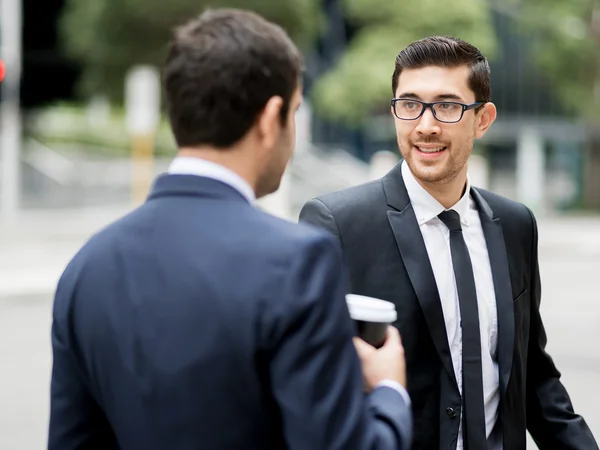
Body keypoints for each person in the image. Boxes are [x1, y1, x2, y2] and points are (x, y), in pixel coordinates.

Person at [47, 8, 413, 450]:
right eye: (295, 112)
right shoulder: (297, 261)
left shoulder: (88, 266)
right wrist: (390, 393)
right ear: (269, 118)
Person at [300, 36, 598, 450]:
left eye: (447, 106)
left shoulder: (515, 224)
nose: (426, 125)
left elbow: (532, 377)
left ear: (483, 119)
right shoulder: (337, 223)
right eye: (409, 104)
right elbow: (310, 384)